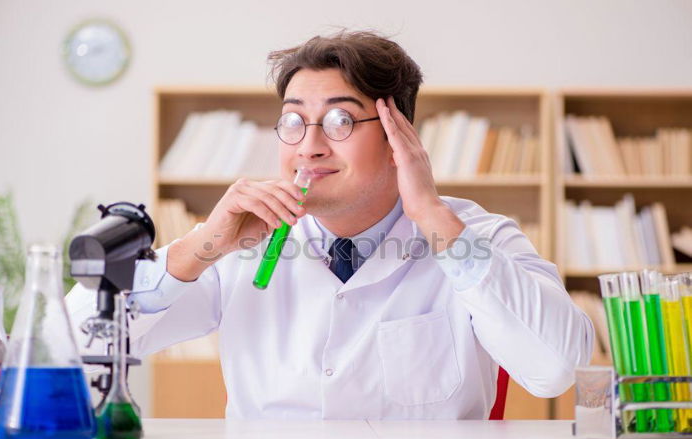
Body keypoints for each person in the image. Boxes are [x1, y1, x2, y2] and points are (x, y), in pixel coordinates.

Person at [66, 30, 594, 419]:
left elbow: (554, 370)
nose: (309, 145)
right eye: (293, 121)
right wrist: (200, 247)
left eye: (341, 120)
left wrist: (434, 218)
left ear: (398, 137)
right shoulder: (237, 243)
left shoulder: (476, 236)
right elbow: (64, 347)